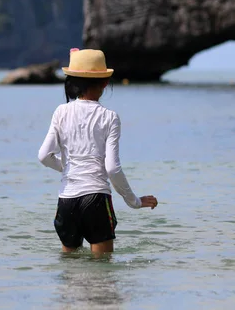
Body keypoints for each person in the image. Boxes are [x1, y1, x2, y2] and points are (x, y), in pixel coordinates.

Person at [38, 48, 158, 254]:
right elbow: (112, 169)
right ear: (104, 82)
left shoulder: (61, 112)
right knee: (103, 276)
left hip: (66, 201)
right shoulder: (109, 117)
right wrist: (134, 201)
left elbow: (43, 156)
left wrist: (68, 168)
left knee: (71, 274)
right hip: (96, 199)